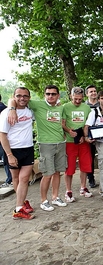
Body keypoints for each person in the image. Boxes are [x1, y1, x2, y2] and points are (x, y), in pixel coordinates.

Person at [9, 85, 67, 211]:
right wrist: (12, 109)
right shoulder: (37, 105)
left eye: (53, 94)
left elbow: (61, 123)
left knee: (57, 172)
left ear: (57, 95)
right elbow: (15, 99)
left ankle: (55, 197)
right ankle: (44, 200)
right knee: (47, 173)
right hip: (46, 144)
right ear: (44, 95)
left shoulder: (60, 107)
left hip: (60, 143)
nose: (50, 96)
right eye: (48, 94)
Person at [0, 87, 35, 219]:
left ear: (29, 98)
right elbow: (2, 135)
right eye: (19, 96)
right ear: (14, 96)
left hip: (28, 148)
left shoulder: (30, 111)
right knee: (16, 179)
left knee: (24, 179)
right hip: (12, 150)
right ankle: (19, 207)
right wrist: (9, 155)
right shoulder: (6, 113)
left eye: (25, 96)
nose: (22, 98)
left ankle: (20, 205)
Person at [62, 87, 93, 203]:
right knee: (69, 167)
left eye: (80, 99)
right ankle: (68, 191)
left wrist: (84, 136)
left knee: (85, 165)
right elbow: (63, 123)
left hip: (83, 141)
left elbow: (88, 124)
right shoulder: (65, 107)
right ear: (71, 96)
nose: (77, 101)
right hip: (70, 142)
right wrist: (69, 131)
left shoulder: (86, 108)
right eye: (75, 99)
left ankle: (83, 187)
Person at [85, 85, 99, 188]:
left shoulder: (102, 104)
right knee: (90, 157)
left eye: (94, 91)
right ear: (87, 94)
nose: (93, 93)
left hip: (101, 134)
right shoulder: (84, 106)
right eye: (91, 92)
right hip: (89, 135)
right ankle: (91, 178)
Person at [0, 94, 12, 188]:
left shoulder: (3, 109)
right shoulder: (5, 107)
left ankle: (9, 180)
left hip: (4, 138)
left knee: (6, 159)